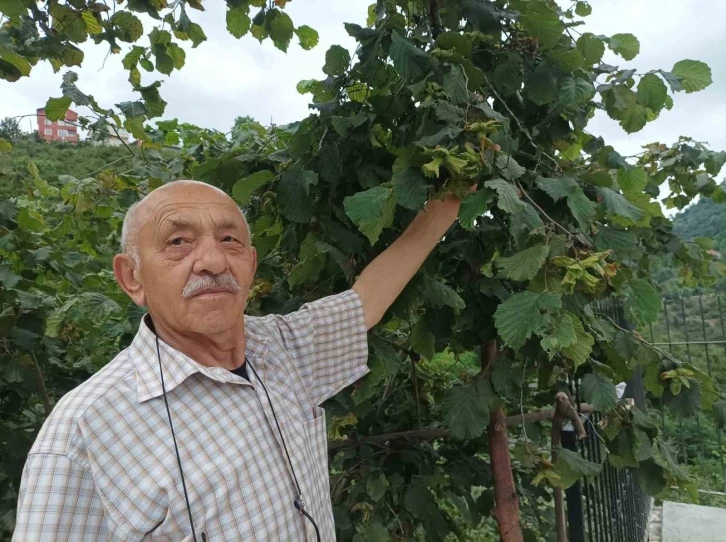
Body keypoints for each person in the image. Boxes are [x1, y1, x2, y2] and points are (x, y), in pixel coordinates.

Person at [13, 180, 466, 541]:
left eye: (229, 240)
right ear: (132, 278)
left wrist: (446, 204)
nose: (212, 260)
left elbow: (365, 302)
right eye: (177, 242)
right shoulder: (83, 435)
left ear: (250, 264)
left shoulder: (285, 347)